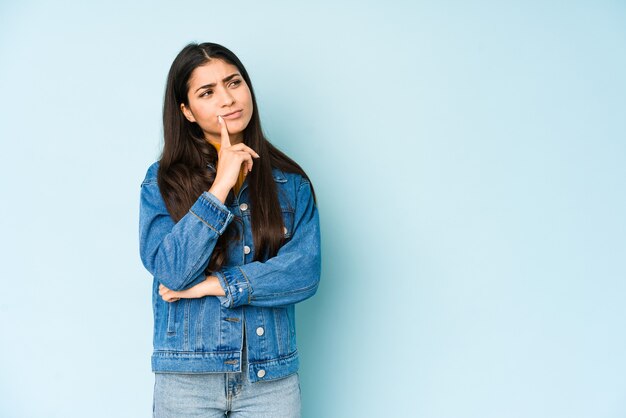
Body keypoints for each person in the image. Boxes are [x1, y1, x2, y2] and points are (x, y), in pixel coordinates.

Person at [138, 42, 321, 418]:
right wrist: (219, 186)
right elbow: (170, 271)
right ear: (186, 111)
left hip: (270, 379)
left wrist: (215, 285)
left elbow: (303, 273)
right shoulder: (162, 182)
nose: (227, 99)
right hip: (188, 379)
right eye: (207, 92)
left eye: (234, 82)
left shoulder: (291, 184)